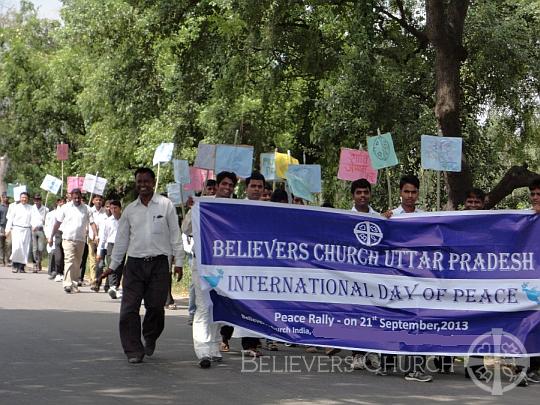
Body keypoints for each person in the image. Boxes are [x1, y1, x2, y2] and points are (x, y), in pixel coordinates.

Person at [101, 168, 184, 364]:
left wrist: (179, 262)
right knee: (129, 309)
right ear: (136, 183)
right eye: (139, 181)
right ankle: (133, 350)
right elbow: (121, 241)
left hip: (159, 264)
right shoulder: (130, 210)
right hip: (135, 265)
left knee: (156, 308)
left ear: (154, 182)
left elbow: (175, 235)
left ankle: (150, 336)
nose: (143, 185)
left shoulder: (166, 205)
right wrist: (113, 266)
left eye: (146, 181)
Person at [183, 171, 237, 368]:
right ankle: (203, 350)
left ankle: (214, 346)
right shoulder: (203, 204)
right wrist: (193, 209)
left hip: (225, 266)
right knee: (204, 306)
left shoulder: (236, 208)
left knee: (218, 305)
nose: (227, 188)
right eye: (224, 183)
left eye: (231, 185)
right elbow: (186, 229)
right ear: (218, 184)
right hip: (203, 263)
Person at [382, 175, 432, 383]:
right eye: (406, 192)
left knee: (417, 321)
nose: (410, 196)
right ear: (400, 193)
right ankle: (386, 363)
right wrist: (382, 222)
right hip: (395, 278)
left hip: (418, 279)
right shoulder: (390, 216)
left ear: (418, 194)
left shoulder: (425, 218)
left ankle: (416, 368)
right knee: (392, 318)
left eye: (414, 192)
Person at [48, 189, 97, 294]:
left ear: (81, 197)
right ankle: (67, 284)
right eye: (75, 198)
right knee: (69, 260)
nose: (77, 199)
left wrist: (96, 235)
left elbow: (92, 223)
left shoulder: (87, 209)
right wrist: (51, 236)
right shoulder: (65, 208)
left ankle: (74, 284)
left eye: (78, 197)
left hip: (81, 240)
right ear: (71, 197)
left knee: (77, 263)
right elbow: (57, 223)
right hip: (68, 239)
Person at [6, 192, 41, 273]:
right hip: (17, 229)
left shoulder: (31, 208)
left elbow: (34, 218)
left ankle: (22, 267)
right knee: (17, 247)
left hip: (26, 230)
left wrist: (34, 225)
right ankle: (15, 265)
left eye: (25, 198)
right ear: (20, 198)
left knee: (25, 249)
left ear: (28, 199)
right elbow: (10, 219)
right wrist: (7, 230)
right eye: (22, 197)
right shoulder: (15, 207)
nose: (24, 199)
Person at [97, 200, 123, 299]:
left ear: (120, 208)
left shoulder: (125, 220)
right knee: (112, 266)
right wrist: (100, 251)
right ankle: (112, 287)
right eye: (111, 208)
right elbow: (103, 237)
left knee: (119, 267)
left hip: (122, 245)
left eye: (115, 208)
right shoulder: (107, 221)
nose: (113, 210)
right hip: (111, 245)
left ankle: (115, 287)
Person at [88, 195, 108, 291]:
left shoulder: (105, 212)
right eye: (96, 200)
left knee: (100, 262)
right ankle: (93, 280)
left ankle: (98, 280)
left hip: (103, 240)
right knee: (92, 260)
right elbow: (87, 224)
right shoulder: (89, 210)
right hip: (92, 238)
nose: (98, 201)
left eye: (100, 200)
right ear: (93, 201)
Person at [45, 198, 65, 280]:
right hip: (53, 235)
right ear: (57, 203)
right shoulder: (51, 214)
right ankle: (53, 271)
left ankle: (59, 272)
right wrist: (49, 236)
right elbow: (47, 225)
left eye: (63, 201)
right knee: (53, 254)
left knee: (60, 255)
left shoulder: (66, 211)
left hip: (63, 234)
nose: (62, 203)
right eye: (60, 201)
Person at [31, 194, 49, 273]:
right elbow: (29, 219)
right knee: (34, 249)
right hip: (33, 230)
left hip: (41, 230)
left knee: (40, 248)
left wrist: (44, 221)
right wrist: (31, 225)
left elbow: (47, 221)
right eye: (35, 200)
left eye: (38, 199)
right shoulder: (31, 208)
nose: (37, 201)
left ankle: (39, 261)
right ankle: (35, 264)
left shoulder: (46, 209)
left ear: (41, 200)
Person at [0, 192, 9, 266]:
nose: (6, 198)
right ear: (2, 198)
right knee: (1, 244)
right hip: (2, 227)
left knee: (9, 244)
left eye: (7, 197)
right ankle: (1, 260)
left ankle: (8, 260)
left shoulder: (11, 206)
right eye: (5, 197)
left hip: (9, 227)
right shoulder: (0, 206)